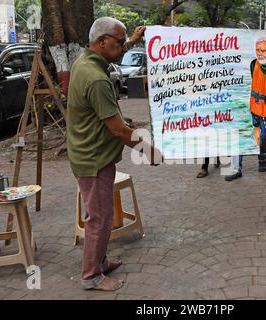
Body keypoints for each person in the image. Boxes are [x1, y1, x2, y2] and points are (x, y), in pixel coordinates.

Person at [67, 17, 161, 291]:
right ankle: (91, 276)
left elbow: (117, 49)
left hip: (93, 155)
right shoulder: (95, 78)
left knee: (103, 215)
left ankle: (100, 260)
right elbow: (119, 130)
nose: (123, 47)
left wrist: (132, 38)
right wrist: (149, 151)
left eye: (124, 42)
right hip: (93, 160)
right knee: (99, 219)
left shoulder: (87, 62)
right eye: (120, 43)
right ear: (102, 42)